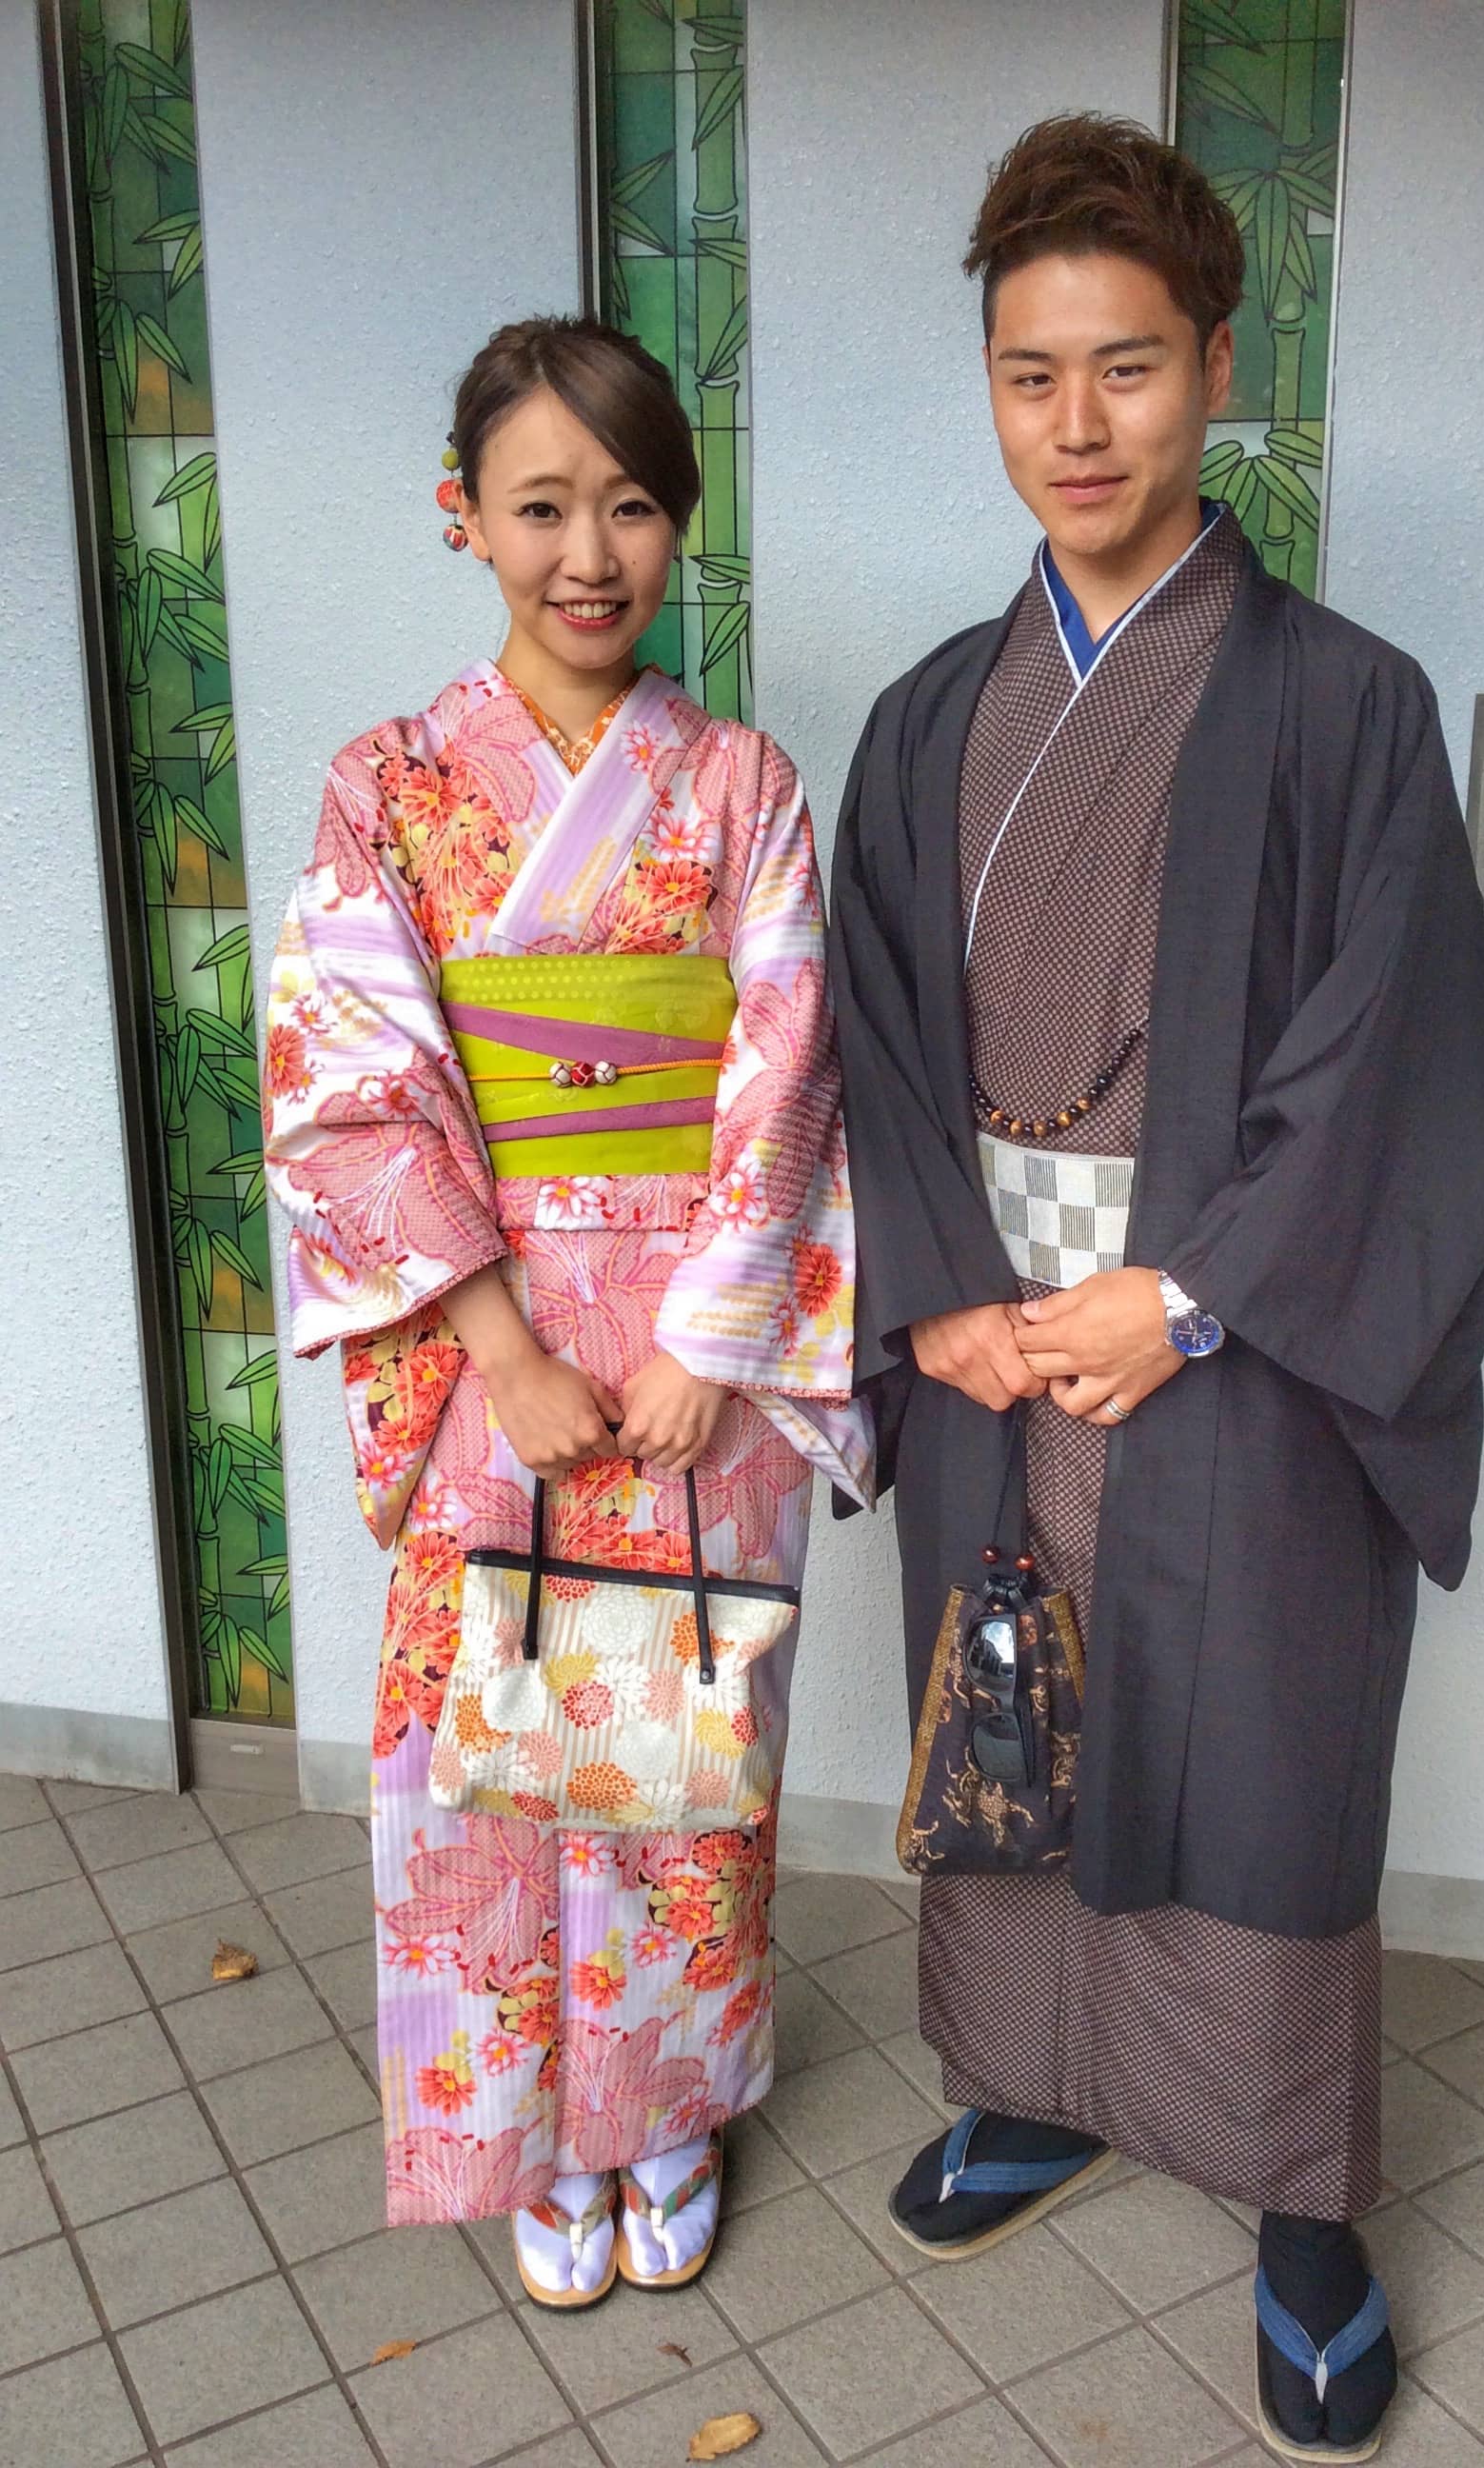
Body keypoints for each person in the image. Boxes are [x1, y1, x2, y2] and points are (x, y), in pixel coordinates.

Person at [829, 118, 1484, 2460]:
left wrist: (1189, 1292)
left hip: (1232, 1345)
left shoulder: (1344, 704)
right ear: (989, 388)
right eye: (1029, 375)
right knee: (1012, 1712)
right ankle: (1031, 2083)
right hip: (988, 1347)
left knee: (1260, 1756)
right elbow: (872, 1040)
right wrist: (933, 1294)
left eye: (1125, 367)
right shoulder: (928, 716)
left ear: (1216, 366)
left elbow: (1392, 1059)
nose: (1078, 424)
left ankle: (1298, 2199)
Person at [264, 315, 868, 2310]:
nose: (586, 554)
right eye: (540, 507)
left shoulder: (743, 785)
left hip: (699, 1343)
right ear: (464, 517)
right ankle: (530, 2126)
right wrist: (504, 1348)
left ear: (678, 520)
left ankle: (665, 2108)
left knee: (678, 1736)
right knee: (493, 1747)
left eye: (628, 506)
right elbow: (350, 1083)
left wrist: (709, 1340)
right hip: (485, 1349)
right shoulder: (387, 787)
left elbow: (788, 1060)